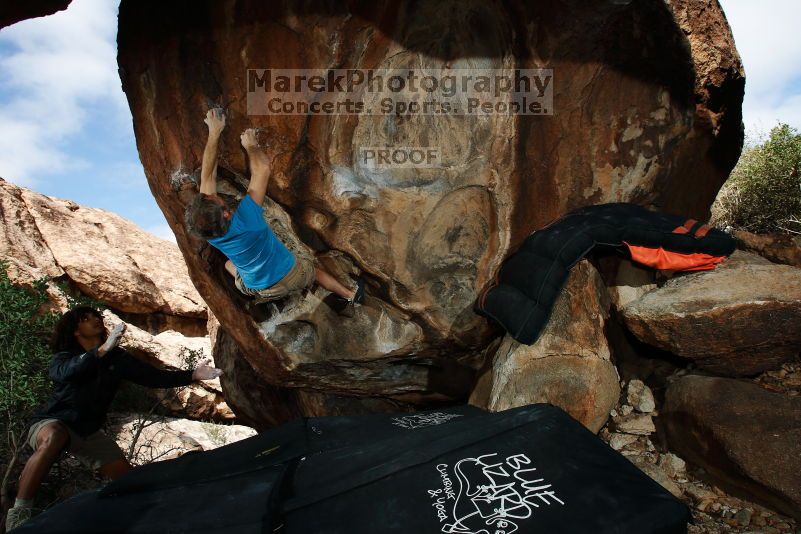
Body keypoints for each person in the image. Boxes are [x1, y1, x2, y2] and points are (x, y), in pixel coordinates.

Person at [4, 307, 222, 532]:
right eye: (86, 319)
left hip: (87, 431)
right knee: (55, 436)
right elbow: (65, 373)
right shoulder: (65, 356)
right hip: (51, 421)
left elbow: (153, 377)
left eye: (96, 316)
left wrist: (193, 375)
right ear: (76, 331)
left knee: (129, 482)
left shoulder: (118, 359)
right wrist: (103, 349)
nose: (95, 320)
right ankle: (19, 512)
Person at [184, 108, 364, 316]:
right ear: (226, 214)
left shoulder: (209, 232)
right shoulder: (247, 218)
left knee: (228, 264)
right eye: (216, 199)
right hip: (293, 276)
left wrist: (214, 132)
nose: (213, 194)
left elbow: (207, 177)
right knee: (314, 273)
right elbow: (262, 170)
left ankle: (269, 299)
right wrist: (251, 146)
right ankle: (351, 295)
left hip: (260, 290)